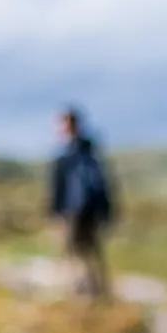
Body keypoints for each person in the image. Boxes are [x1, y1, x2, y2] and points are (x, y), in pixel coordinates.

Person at [48, 107, 115, 298]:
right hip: (89, 210)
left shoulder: (69, 154)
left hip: (74, 210)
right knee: (90, 252)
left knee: (75, 252)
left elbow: (59, 187)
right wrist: (106, 211)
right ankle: (97, 292)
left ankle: (82, 293)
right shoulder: (90, 151)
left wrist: (55, 211)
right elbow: (103, 183)